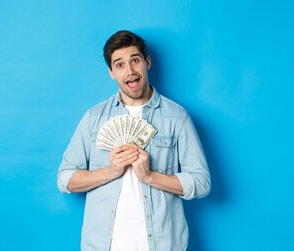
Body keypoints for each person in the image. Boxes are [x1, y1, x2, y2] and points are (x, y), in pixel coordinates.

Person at [56, 30, 211, 251]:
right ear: (111, 72)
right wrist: (110, 171)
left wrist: (150, 176)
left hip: (163, 245)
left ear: (147, 62)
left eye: (135, 61)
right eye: (119, 65)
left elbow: (202, 182)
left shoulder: (177, 117)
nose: (129, 71)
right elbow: (65, 179)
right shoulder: (94, 118)